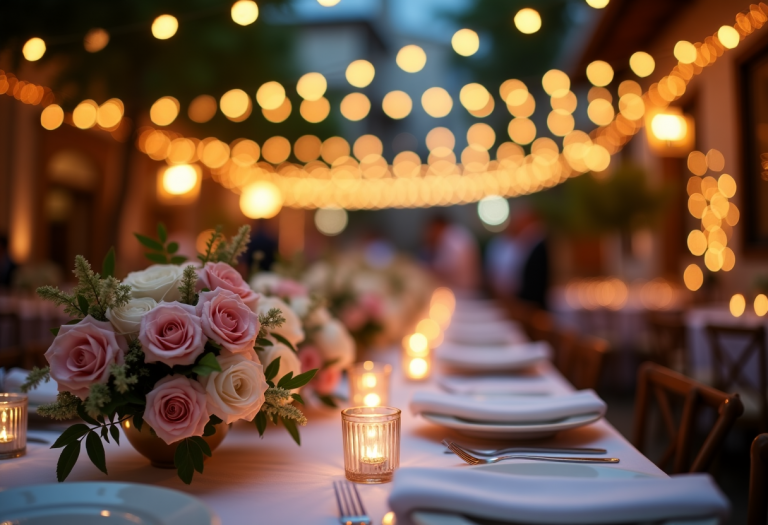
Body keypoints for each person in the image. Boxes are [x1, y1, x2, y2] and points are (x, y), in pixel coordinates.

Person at [424, 215, 480, 291]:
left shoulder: (449, 238)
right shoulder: (458, 232)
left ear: (437, 226)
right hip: (467, 287)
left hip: (462, 290)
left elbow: (445, 269)